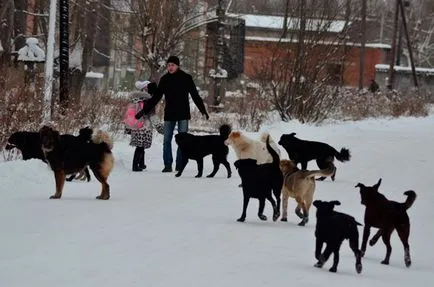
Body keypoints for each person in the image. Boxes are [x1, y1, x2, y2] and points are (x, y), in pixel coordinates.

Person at [135, 55, 209, 173]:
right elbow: (156, 98)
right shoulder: (164, 79)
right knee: (166, 140)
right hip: (169, 114)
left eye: (172, 65)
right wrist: (143, 111)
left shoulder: (186, 78)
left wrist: (203, 110)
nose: (170, 67)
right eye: (168, 65)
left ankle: (179, 165)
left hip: (183, 114)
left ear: (177, 66)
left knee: (183, 141)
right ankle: (168, 165)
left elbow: (195, 95)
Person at [125, 80, 158, 171]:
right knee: (140, 146)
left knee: (140, 145)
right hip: (144, 126)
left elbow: (129, 113)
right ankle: (135, 166)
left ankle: (141, 164)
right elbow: (152, 115)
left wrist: (128, 127)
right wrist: (159, 127)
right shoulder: (148, 100)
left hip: (136, 125)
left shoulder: (135, 99)